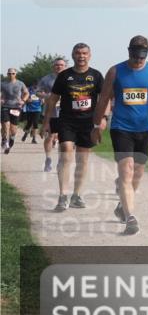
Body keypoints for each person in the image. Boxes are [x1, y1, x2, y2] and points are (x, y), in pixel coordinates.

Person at [92, 35, 148, 235]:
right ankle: (130, 217)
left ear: (147, 54)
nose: (138, 61)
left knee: (138, 173)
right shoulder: (116, 71)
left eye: (142, 57)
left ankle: (121, 206)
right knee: (126, 171)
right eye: (135, 57)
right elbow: (104, 100)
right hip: (121, 127)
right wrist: (97, 124)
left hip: (144, 129)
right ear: (129, 52)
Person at [43, 44, 106, 212]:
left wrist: (103, 119)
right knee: (66, 151)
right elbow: (52, 99)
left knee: (83, 159)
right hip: (67, 120)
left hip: (87, 122)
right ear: (73, 55)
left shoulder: (96, 75)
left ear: (90, 55)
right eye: (78, 53)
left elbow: (104, 99)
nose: (81, 56)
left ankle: (76, 195)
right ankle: (63, 195)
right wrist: (47, 120)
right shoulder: (64, 76)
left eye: (84, 53)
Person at [36, 58, 67, 172]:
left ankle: (60, 161)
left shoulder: (70, 78)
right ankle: (48, 159)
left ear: (65, 66)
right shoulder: (46, 79)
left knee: (64, 139)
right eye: (57, 65)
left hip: (66, 112)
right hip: (51, 112)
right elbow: (37, 92)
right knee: (49, 136)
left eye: (61, 65)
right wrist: (47, 96)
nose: (59, 67)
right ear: (53, 66)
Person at [2, 67, 28, 154]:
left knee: (13, 130)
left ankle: (11, 140)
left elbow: (26, 93)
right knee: (6, 124)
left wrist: (23, 100)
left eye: (12, 73)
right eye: (9, 73)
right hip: (5, 106)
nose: (11, 75)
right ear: (7, 74)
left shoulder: (20, 83)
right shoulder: (3, 84)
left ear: (15, 74)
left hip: (16, 107)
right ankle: (4, 140)